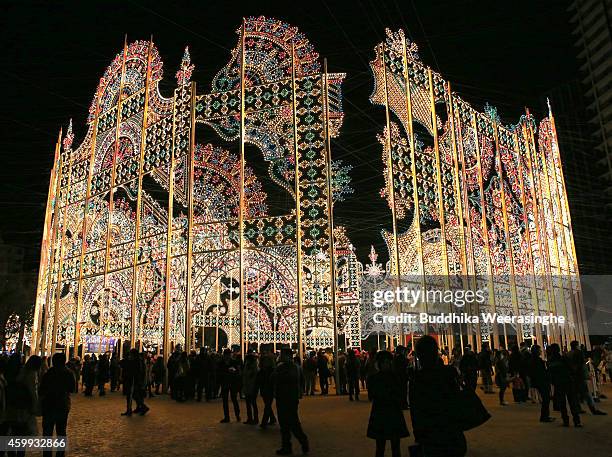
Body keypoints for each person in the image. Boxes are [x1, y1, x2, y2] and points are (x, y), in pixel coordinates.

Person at [410, 335, 467, 457]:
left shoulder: (417, 378)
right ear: (436, 352)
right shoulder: (449, 373)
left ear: (419, 355)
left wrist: (418, 435)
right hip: (451, 430)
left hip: (430, 433)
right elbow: (458, 399)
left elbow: (416, 409)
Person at [366, 350, 409, 457]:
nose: (387, 364)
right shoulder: (395, 377)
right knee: (388, 446)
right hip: (391, 413)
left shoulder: (374, 378)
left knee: (385, 447)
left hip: (381, 413)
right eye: (385, 362)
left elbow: (372, 395)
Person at [39, 353, 76, 457]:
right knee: (61, 431)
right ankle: (60, 453)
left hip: (49, 405)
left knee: (47, 433)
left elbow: (42, 390)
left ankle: (47, 454)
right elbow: (72, 389)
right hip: (62, 404)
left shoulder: (49, 373)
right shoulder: (68, 373)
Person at [273, 348, 309, 455]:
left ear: (287, 356)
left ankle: (302, 440)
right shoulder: (292, 367)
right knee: (284, 424)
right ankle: (286, 446)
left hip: (288, 398)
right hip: (285, 397)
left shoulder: (290, 368)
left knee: (292, 422)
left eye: (282, 355)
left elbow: (280, 378)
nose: (281, 357)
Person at [547, 343, 581, 427]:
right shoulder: (564, 358)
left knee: (562, 403)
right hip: (567, 381)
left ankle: (566, 420)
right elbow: (571, 369)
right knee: (572, 402)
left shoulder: (550, 361)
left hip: (558, 383)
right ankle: (576, 420)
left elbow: (550, 373)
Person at [528, 345, 554, 422]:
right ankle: (544, 416)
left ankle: (545, 416)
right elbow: (541, 372)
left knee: (545, 399)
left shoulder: (532, 360)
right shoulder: (537, 361)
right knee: (546, 399)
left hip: (537, 381)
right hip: (541, 382)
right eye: (539, 350)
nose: (541, 351)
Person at [121, 349, 149, 416]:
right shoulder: (137, 361)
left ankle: (140, 407)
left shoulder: (136, 361)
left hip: (134, 380)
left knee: (133, 396)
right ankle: (135, 408)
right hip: (133, 380)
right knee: (133, 396)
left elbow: (136, 372)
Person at [219, 348, 241, 423]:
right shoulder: (221, 363)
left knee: (234, 399)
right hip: (225, 383)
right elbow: (219, 372)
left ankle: (237, 415)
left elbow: (238, 371)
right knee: (225, 400)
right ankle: (227, 417)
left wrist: (233, 371)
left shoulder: (233, 362)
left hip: (232, 382)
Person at [258, 352, 277, 428]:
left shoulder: (269, 371)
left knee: (267, 405)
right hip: (266, 389)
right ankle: (272, 418)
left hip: (268, 389)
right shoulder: (267, 370)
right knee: (267, 404)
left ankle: (264, 422)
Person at [242, 353, 259, 425]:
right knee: (250, 404)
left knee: (252, 403)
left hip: (251, 386)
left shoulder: (252, 366)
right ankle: (251, 418)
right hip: (249, 386)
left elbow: (249, 376)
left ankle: (254, 418)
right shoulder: (251, 365)